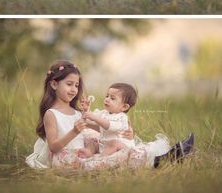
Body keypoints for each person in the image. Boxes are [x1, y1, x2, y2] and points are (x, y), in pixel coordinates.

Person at [26, 60, 194, 171]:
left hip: (85, 152)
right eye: (69, 84)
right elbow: (54, 147)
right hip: (67, 159)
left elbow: (103, 128)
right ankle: (160, 161)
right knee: (121, 155)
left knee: (120, 146)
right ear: (54, 84)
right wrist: (74, 132)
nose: (73, 90)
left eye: (76, 85)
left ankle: (164, 157)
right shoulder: (51, 114)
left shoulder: (77, 112)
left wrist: (127, 131)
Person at [78, 83, 137, 158]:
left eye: (112, 98)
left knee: (114, 143)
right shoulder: (104, 113)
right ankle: (88, 152)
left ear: (124, 107)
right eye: (107, 96)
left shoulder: (122, 118)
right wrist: (86, 110)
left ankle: (101, 158)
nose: (107, 99)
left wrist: (95, 118)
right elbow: (90, 118)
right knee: (93, 141)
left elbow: (110, 126)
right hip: (105, 145)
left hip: (122, 147)